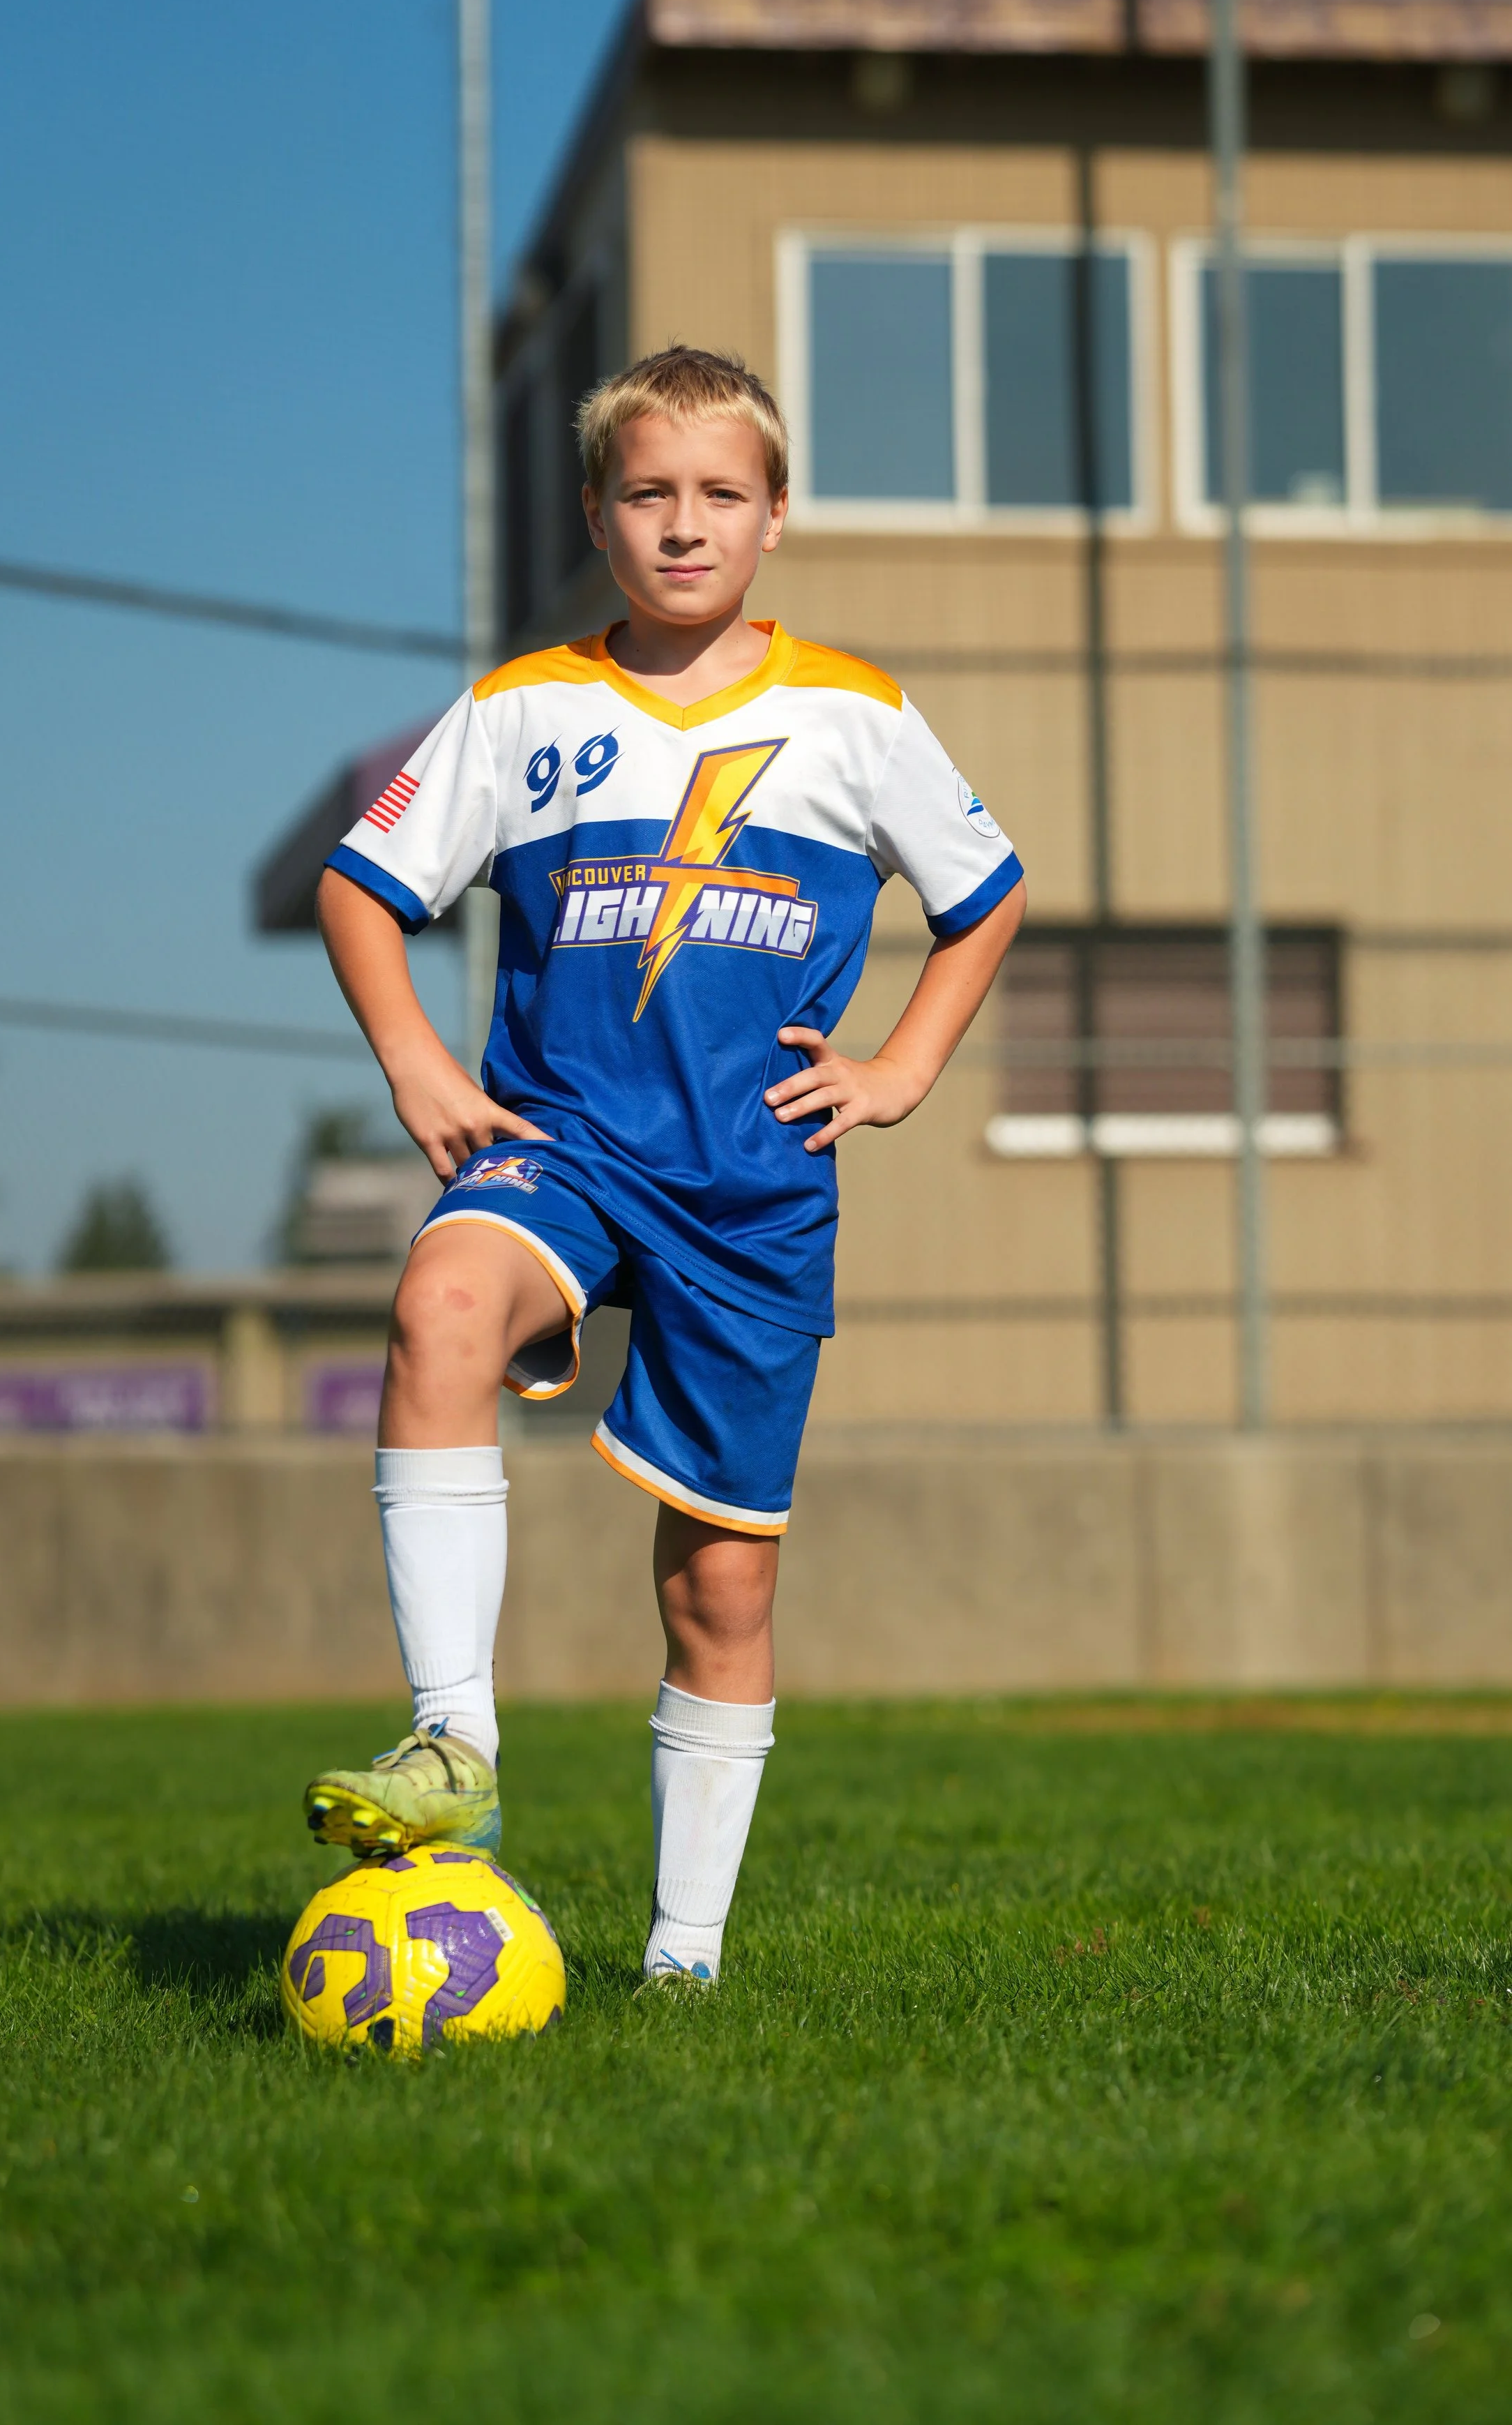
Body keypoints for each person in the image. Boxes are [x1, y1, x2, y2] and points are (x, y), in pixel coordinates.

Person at [304, 345, 1025, 1985]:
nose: (681, 526)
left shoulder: (854, 711)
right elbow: (362, 887)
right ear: (595, 514)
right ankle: (451, 1753)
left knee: (716, 1595)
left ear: (775, 516)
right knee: (437, 1309)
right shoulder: (517, 707)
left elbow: (981, 897)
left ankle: (681, 1962)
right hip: (560, 1148)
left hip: (752, 1197)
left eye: (718, 495)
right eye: (647, 494)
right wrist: (419, 1061)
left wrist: (901, 1065)